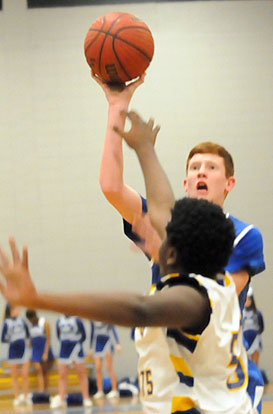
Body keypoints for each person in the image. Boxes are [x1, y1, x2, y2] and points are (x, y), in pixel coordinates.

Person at [0, 116, 257, 413]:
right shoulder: (209, 278)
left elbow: (139, 309)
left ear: (172, 254)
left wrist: (37, 298)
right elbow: (162, 208)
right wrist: (145, 148)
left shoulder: (195, 299)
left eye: (166, 236)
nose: (156, 230)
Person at [94, 74, 265, 411]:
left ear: (229, 182)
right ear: (185, 182)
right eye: (195, 167)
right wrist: (117, 107)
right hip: (169, 377)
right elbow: (111, 187)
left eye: (211, 167)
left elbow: (218, 294)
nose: (201, 172)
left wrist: (163, 255)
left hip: (221, 377)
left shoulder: (244, 235)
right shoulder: (165, 220)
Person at [50, 315, 92, 409]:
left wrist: (76, 343)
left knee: (81, 373)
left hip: (76, 348)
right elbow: (58, 335)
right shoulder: (59, 320)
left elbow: (83, 335)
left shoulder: (77, 320)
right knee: (62, 375)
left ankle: (86, 398)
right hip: (64, 349)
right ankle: (61, 399)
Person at [1, 303, 31, 407]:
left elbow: (28, 335)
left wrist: (27, 343)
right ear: (12, 309)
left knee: (25, 375)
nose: (19, 309)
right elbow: (3, 338)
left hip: (23, 351)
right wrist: (12, 338)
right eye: (17, 307)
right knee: (14, 376)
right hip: (13, 352)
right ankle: (17, 397)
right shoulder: (6, 323)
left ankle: (26, 397)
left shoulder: (22, 321)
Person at [90, 321, 121, 399]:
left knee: (109, 367)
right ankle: (100, 391)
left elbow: (113, 329)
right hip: (98, 343)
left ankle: (114, 390)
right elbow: (92, 331)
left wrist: (118, 343)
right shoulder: (92, 318)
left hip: (106, 341)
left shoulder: (105, 315)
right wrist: (90, 347)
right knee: (98, 368)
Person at [25, 309, 54, 393]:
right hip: (35, 350)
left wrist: (45, 353)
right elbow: (30, 337)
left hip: (43, 349)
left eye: (31, 318)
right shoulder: (29, 325)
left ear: (34, 316)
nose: (31, 320)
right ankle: (41, 391)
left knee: (44, 372)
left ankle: (45, 391)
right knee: (38, 370)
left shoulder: (44, 323)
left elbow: (48, 339)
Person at [242, 287, 264, 367]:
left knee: (255, 362)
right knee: (245, 362)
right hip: (245, 340)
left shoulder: (257, 313)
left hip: (255, 340)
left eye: (249, 299)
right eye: (246, 300)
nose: (247, 302)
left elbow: (261, 327)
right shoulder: (241, 314)